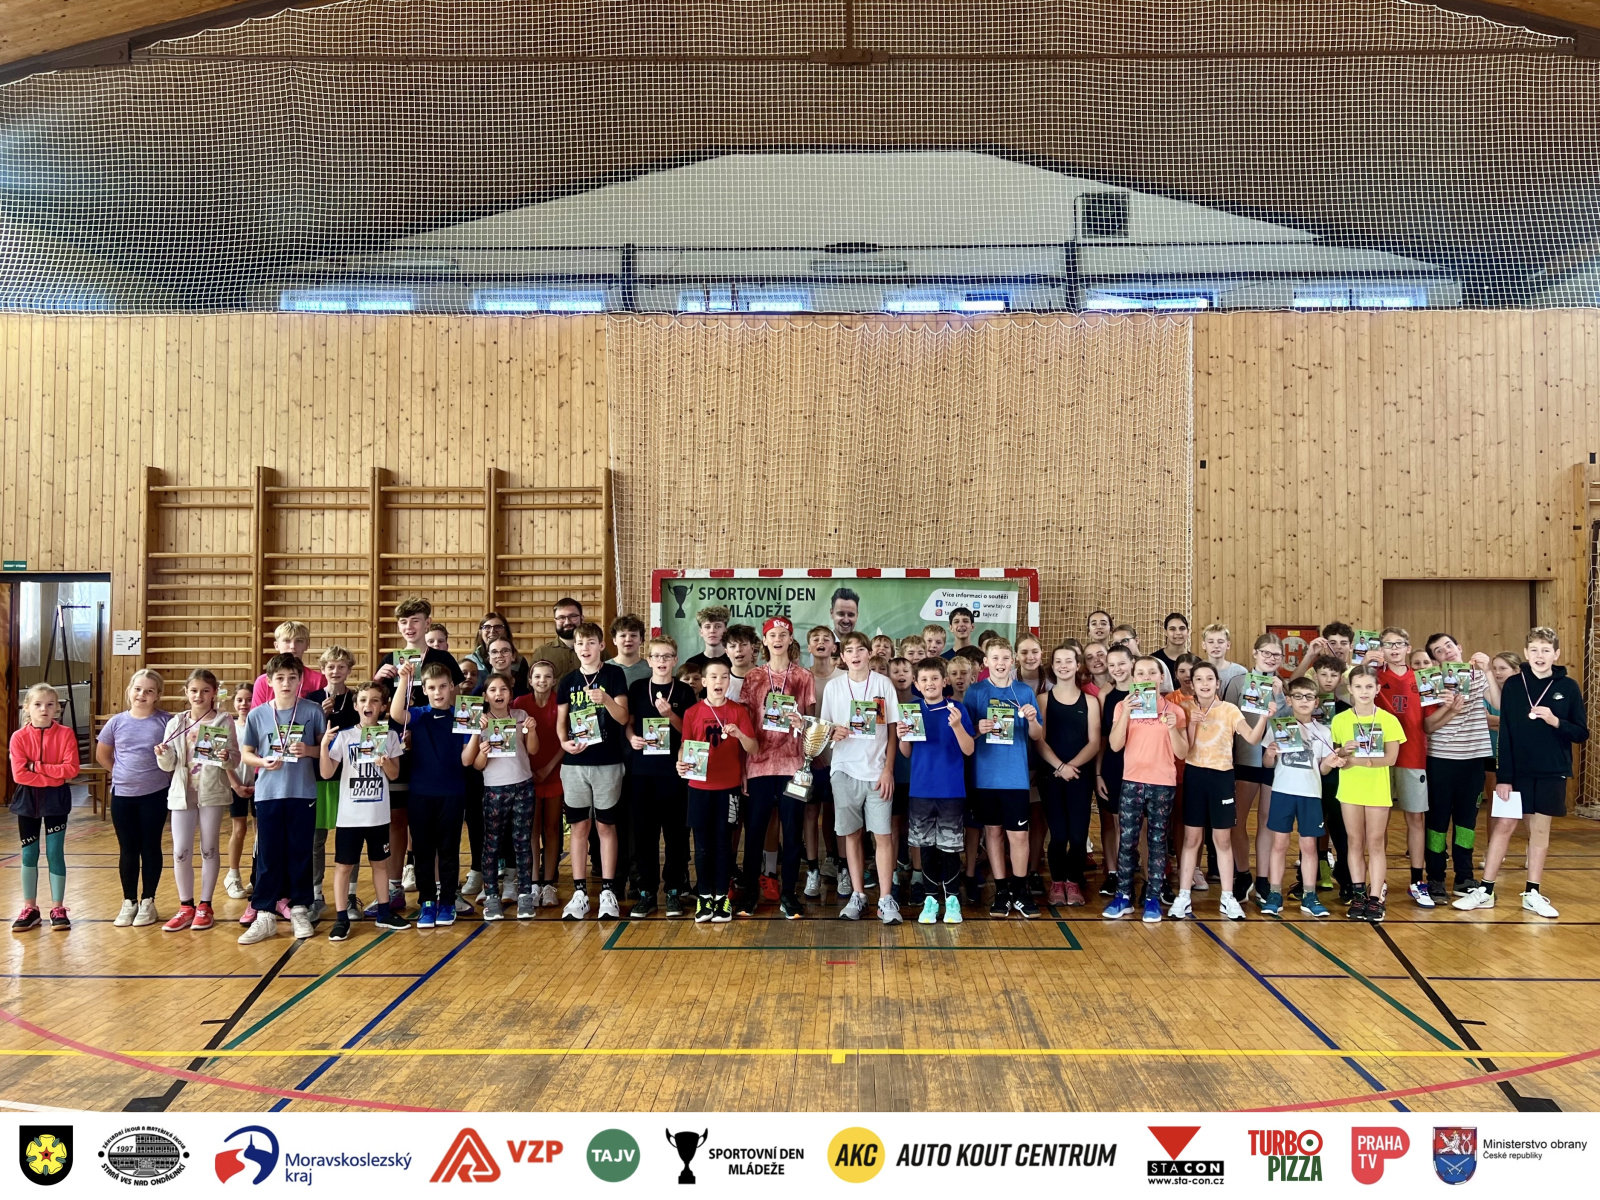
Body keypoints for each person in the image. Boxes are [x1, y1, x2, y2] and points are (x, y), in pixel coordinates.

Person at [1455, 627, 1588, 918]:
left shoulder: (1568, 687)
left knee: (1539, 831)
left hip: (1551, 771)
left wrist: (1555, 721)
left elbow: (1581, 733)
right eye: (1535, 650)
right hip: (1517, 773)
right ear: (1526, 653)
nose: (1540, 655)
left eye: (1546, 650)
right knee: (1504, 825)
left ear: (1556, 654)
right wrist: (1504, 777)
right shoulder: (1516, 685)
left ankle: (1533, 893)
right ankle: (1486, 890)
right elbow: (1506, 733)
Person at [373, 595, 464, 900]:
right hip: (399, 749)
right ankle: (395, 886)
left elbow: (458, 704)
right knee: (398, 818)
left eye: (415, 620)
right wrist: (378, 679)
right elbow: (378, 705)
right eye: (403, 621)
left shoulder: (444, 659)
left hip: (435, 749)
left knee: (437, 824)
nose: (409, 626)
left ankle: (441, 889)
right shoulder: (390, 660)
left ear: (427, 623)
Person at [238, 654, 327, 943]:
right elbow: (246, 753)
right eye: (280, 678)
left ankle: (300, 908)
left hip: (303, 792)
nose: (286, 683)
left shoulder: (313, 710)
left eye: (292, 678)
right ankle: (265, 913)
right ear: (269, 681)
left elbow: (325, 750)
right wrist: (262, 762)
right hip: (268, 794)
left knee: (301, 852)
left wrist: (309, 751)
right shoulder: (257, 714)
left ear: (300, 680)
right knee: (268, 854)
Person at [1171, 661, 1265, 921]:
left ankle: (1227, 897)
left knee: (1222, 840)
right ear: (1192, 684)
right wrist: (1191, 724)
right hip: (1194, 776)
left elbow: (1252, 738)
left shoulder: (1229, 710)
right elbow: (1184, 751)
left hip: (1222, 777)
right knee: (1191, 839)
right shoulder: (1185, 709)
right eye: (1199, 679)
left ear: (1217, 683)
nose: (1204, 683)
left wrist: (1264, 717)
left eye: (1209, 679)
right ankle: (1184, 896)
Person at [737, 617, 816, 919]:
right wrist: (743, 768)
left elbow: (812, 723)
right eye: (772, 635)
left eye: (783, 634)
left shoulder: (803, 676)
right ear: (765, 641)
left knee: (793, 833)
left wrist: (802, 722)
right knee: (754, 833)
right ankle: (750, 893)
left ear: (791, 639)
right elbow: (745, 724)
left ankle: (789, 894)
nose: (778, 639)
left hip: (793, 765)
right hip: (759, 765)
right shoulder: (754, 676)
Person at [822, 631, 901, 923]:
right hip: (844, 770)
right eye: (849, 650)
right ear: (842, 656)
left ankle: (885, 898)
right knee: (852, 834)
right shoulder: (833, 687)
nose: (855, 655)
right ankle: (858, 895)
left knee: (882, 835)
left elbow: (892, 730)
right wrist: (833, 731)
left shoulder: (883, 684)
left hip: (877, 773)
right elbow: (825, 727)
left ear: (869, 653)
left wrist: (888, 769)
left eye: (860, 649)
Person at [963, 636, 1044, 919]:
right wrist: (978, 728)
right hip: (985, 778)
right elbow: (965, 737)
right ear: (986, 662)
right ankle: (1001, 891)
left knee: (1019, 835)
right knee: (993, 833)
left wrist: (1032, 719)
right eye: (995, 658)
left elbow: (1037, 735)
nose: (1000, 663)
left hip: (1015, 777)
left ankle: (1020, 890)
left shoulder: (1023, 691)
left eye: (1005, 658)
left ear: (1013, 661)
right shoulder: (975, 692)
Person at [319, 682, 407, 940]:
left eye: (375, 700)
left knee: (380, 864)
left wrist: (385, 762)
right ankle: (341, 918)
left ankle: (383, 912)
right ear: (356, 706)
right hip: (349, 817)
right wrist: (324, 746)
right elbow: (326, 773)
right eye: (364, 700)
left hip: (378, 816)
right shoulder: (345, 737)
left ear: (383, 707)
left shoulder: (389, 736)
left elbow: (394, 774)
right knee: (343, 867)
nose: (369, 705)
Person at [387, 659, 471, 929]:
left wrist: (477, 732)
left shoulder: (462, 715)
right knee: (422, 851)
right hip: (421, 795)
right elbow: (396, 714)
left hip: (452, 794)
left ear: (452, 687)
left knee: (449, 850)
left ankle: (447, 901)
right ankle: (426, 901)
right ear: (424, 689)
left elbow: (467, 758)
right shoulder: (420, 714)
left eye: (443, 686)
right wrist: (403, 680)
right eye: (432, 687)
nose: (438, 692)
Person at [1103, 656, 1189, 922]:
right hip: (1132, 781)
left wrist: (1172, 728)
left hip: (1162, 783)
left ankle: (1152, 898)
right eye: (1141, 673)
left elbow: (1183, 752)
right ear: (1134, 678)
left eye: (1152, 672)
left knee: (1157, 842)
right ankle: (1123, 896)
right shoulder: (1122, 706)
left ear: (1161, 677)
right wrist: (1126, 713)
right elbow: (1115, 745)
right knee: (1127, 841)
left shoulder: (1175, 710)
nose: (1147, 677)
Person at [555, 621, 630, 920]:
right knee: (579, 827)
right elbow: (561, 721)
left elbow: (623, 718)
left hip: (608, 762)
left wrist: (606, 699)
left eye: (590, 643)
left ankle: (608, 891)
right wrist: (564, 742)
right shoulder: (567, 681)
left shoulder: (614, 675)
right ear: (574, 647)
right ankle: (579, 892)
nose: (584, 648)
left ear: (601, 646)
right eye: (579, 643)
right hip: (575, 764)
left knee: (605, 826)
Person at [155, 669, 236, 933]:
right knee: (180, 851)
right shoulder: (176, 722)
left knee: (209, 848)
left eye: (205, 691)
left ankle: (205, 905)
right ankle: (185, 906)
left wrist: (226, 757)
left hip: (211, 793)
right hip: (182, 793)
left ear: (214, 693)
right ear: (186, 692)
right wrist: (162, 753)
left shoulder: (223, 720)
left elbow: (233, 758)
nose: (198, 695)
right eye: (193, 690)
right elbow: (168, 765)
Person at [1422, 632, 1499, 901]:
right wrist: (1450, 708)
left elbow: (1499, 704)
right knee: (1437, 822)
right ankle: (1435, 877)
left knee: (1467, 822)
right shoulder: (1432, 682)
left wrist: (1488, 671)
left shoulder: (1478, 676)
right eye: (1439, 650)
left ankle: (1464, 876)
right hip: (1440, 760)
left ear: (1459, 647)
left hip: (1473, 760)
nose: (1446, 651)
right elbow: (1427, 726)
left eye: (1449, 645)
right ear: (1436, 660)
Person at [678, 660, 757, 923]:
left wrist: (739, 735)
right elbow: (685, 746)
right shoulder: (692, 712)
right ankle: (704, 897)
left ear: (729, 682)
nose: (719, 681)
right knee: (702, 847)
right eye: (713, 677)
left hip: (729, 788)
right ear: (704, 682)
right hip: (699, 787)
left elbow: (754, 748)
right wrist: (680, 761)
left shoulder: (738, 711)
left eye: (724, 676)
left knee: (724, 845)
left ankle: (722, 897)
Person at [898, 657, 975, 923]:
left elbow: (969, 750)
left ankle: (952, 899)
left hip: (951, 791)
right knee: (926, 848)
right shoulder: (912, 710)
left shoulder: (957, 709)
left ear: (944, 681)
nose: (930, 683)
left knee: (950, 848)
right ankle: (930, 899)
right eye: (924, 679)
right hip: (921, 790)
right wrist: (902, 736)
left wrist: (957, 727)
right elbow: (906, 752)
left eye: (934, 678)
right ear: (916, 684)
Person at [625, 636, 697, 918]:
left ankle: (674, 891)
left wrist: (670, 716)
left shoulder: (684, 691)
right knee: (644, 835)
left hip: (674, 773)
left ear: (675, 660)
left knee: (676, 836)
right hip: (642, 772)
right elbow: (629, 724)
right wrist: (631, 738)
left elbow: (690, 731)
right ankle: (646, 893)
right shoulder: (637, 688)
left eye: (667, 656)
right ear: (649, 660)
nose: (662, 661)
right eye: (657, 656)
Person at [97, 669, 173, 929]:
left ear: (157, 695)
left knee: (150, 847)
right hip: (123, 796)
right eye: (138, 689)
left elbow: (174, 756)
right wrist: (122, 774)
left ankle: (148, 900)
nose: (142, 694)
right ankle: (129, 901)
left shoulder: (165, 722)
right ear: (129, 691)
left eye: (149, 691)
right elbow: (103, 755)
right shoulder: (116, 722)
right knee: (128, 849)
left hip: (154, 795)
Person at [1327, 664, 1404, 922]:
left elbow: (1391, 758)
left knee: (1376, 842)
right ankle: (1359, 894)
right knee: (1354, 841)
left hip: (1376, 789)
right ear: (1349, 689)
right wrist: (1343, 753)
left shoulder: (1388, 720)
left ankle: (1375, 897)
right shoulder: (1340, 720)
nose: (1363, 691)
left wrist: (1356, 761)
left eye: (1369, 686)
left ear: (1377, 689)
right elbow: (1336, 755)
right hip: (1350, 789)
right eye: (1358, 686)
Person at [1259, 676, 1335, 918]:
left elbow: (1322, 769)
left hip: (1310, 794)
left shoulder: (1323, 732)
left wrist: (1331, 762)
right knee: (1279, 844)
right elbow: (1267, 764)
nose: (1304, 701)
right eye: (1298, 696)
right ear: (1289, 700)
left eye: (1309, 697)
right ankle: (1274, 893)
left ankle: (1309, 895)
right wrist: (1270, 754)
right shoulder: (1278, 726)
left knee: (1309, 846)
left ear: (1316, 702)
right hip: (1283, 792)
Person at [465, 670, 537, 921]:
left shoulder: (520, 716)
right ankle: (492, 897)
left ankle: (525, 895)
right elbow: (476, 765)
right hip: (495, 790)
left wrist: (532, 730)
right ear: (485, 696)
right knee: (492, 844)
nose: (499, 694)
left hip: (523, 786)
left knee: (522, 843)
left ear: (510, 694)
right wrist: (483, 751)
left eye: (503, 689)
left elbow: (533, 750)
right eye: (493, 690)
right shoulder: (480, 721)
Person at [9, 684, 79, 932]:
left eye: (50, 704)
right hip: (27, 800)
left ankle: (57, 907)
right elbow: (19, 775)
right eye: (38, 704)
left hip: (56, 800)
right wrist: (53, 775)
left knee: (54, 853)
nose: (43, 709)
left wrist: (36, 767)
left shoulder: (66, 734)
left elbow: (71, 770)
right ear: (27, 707)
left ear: (57, 708)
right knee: (29, 854)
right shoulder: (18, 737)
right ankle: (30, 908)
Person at [1222, 633, 1286, 901]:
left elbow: (1289, 723)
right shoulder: (1238, 682)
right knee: (1237, 820)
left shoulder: (1283, 685)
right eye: (1266, 653)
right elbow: (1227, 719)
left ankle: (1263, 879)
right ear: (1255, 653)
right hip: (1244, 758)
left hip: (1274, 761)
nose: (1271, 658)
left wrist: (1280, 697)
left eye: (1276, 654)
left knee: (1267, 820)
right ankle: (1243, 873)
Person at [1372, 627, 1432, 907]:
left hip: (1412, 756)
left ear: (1408, 648)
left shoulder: (1421, 678)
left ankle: (1417, 881)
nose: (1394, 649)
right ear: (1380, 648)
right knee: (1379, 821)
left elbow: (1430, 722)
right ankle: (1378, 882)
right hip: (1378, 757)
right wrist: (1363, 665)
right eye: (1388, 644)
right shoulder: (1371, 677)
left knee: (1416, 819)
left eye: (1399, 644)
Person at [1037, 644, 1101, 907]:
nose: (1063, 665)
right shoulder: (1043, 700)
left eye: (1068, 661)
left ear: (1077, 665)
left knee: (1077, 836)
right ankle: (1057, 882)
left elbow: (1094, 742)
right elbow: (1039, 740)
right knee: (1059, 834)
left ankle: (1073, 881)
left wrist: (1071, 767)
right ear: (1052, 666)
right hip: (1051, 775)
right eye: (1058, 661)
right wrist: (1059, 767)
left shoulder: (1090, 701)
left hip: (1079, 776)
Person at [309, 645, 360, 920]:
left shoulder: (357, 699)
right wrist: (322, 714)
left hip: (349, 777)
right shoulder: (312, 700)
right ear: (323, 669)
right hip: (318, 776)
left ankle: (350, 897)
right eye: (330, 666)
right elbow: (305, 736)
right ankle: (316, 895)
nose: (336, 671)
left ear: (349, 670)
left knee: (349, 839)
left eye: (341, 666)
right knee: (316, 839)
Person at [513, 660, 566, 909]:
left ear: (554, 680)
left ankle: (549, 883)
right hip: (528, 775)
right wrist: (529, 768)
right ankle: (533, 882)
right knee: (532, 830)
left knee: (552, 829)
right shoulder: (520, 703)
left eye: (547, 676)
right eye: (537, 676)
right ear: (530, 680)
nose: (542, 681)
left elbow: (565, 739)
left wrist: (548, 768)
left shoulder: (561, 702)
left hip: (554, 773)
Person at [1310, 654, 1354, 902]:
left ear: (1340, 679)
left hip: (1338, 777)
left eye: (1333, 675)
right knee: (1313, 829)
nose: (1328, 679)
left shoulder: (1346, 710)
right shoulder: (1306, 707)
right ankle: (1312, 877)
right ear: (1315, 676)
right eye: (1323, 674)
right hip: (1310, 776)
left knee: (1340, 829)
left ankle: (1346, 879)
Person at [806, 625, 844, 897]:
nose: (821, 642)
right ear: (809, 647)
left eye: (826, 639)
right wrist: (813, 752)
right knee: (811, 812)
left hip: (840, 757)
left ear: (834, 647)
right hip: (809, 758)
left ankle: (837, 862)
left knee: (836, 811)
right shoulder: (802, 676)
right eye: (815, 639)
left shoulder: (844, 677)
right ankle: (812, 869)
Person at [1093, 644, 1134, 895]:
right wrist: (1098, 773)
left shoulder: (1145, 693)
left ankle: (1134, 874)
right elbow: (1102, 738)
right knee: (1112, 823)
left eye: (1121, 663)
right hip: (1112, 765)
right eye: (1112, 665)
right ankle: (1113, 873)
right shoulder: (1106, 696)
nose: (1117, 669)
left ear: (1132, 663)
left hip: (1139, 765)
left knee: (1137, 825)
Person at [223, 684, 257, 901]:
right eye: (240, 700)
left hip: (259, 785)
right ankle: (233, 876)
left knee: (260, 832)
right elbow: (222, 759)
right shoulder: (230, 728)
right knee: (239, 829)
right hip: (236, 784)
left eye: (249, 699)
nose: (244, 704)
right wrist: (235, 784)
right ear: (234, 702)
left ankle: (257, 876)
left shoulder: (259, 725)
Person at [248, 621, 327, 708]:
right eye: (287, 641)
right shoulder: (263, 682)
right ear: (276, 645)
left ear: (307, 645)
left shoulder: (319, 680)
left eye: (299, 641)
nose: (293, 646)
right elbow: (257, 715)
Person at [465, 612, 529, 691]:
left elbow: (525, 690)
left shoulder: (519, 661)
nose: (492, 631)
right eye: (487, 627)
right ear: (480, 632)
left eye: (498, 627)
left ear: (506, 631)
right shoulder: (470, 661)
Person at [1200, 623, 1247, 693]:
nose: (1216, 646)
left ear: (1228, 645)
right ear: (1204, 645)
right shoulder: (1197, 670)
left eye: (1220, 642)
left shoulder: (1240, 672)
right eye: (1211, 642)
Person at [608, 614, 650, 686]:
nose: (628, 639)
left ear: (641, 640)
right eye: (623, 636)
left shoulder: (651, 669)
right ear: (614, 640)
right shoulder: (604, 669)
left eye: (633, 635)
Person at [724, 624, 760, 703]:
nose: (738, 649)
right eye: (733, 646)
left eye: (743, 644)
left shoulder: (768, 677)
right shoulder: (722, 681)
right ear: (726, 652)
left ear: (752, 648)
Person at [1152, 613, 1191, 685]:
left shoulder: (1196, 662)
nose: (1178, 633)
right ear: (1165, 632)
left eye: (1182, 628)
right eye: (1172, 629)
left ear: (1188, 631)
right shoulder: (1154, 660)